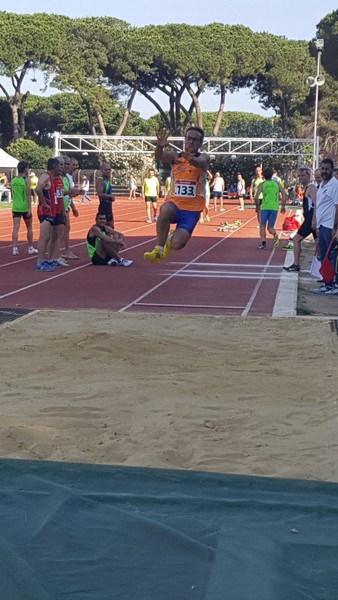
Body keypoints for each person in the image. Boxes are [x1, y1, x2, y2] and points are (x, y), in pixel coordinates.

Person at [144, 126, 210, 264]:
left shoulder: (203, 157)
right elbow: (159, 156)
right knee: (165, 209)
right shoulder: (175, 157)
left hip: (191, 212)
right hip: (175, 205)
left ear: (200, 143)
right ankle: (159, 249)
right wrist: (160, 147)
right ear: (185, 140)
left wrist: (189, 158)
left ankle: (170, 240)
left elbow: (200, 162)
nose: (191, 142)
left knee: (177, 244)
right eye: (189, 139)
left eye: (195, 140)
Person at [311, 158, 338, 295]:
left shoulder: (334, 185)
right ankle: (327, 283)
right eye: (322, 169)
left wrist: (335, 227)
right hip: (322, 225)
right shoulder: (321, 185)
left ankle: (332, 284)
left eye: (327, 169)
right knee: (324, 255)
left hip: (329, 226)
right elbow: (319, 205)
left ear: (332, 170)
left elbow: (337, 206)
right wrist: (315, 221)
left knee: (330, 255)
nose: (324, 171)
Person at [283, 167, 317, 272]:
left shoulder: (311, 188)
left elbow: (316, 204)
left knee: (296, 239)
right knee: (318, 243)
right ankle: (319, 268)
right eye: (300, 176)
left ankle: (296, 264)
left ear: (309, 176)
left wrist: (314, 219)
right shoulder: (306, 188)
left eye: (303, 176)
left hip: (311, 219)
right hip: (309, 218)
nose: (301, 178)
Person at [35, 157, 64, 272]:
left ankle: (49, 259)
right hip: (45, 211)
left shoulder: (56, 178)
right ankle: (40, 263)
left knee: (51, 236)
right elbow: (37, 189)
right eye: (60, 166)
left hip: (53, 211)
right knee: (44, 237)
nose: (61, 168)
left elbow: (58, 194)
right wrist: (44, 203)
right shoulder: (46, 176)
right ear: (55, 167)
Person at [254, 166, 288, 249]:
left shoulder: (262, 184)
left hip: (265, 207)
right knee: (271, 227)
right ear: (272, 175)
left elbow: (256, 197)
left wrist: (257, 206)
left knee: (262, 225)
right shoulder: (277, 184)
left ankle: (263, 243)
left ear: (264, 175)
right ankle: (275, 234)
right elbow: (284, 194)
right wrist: (283, 205)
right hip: (274, 207)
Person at [11, 160, 38, 256]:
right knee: (29, 227)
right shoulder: (26, 180)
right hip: (24, 207)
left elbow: (13, 194)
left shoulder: (13, 180)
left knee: (15, 228)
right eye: (27, 168)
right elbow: (28, 195)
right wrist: (30, 208)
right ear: (25, 169)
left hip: (15, 206)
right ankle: (30, 247)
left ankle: (14, 248)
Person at [61, 156, 80, 261]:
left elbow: (69, 194)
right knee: (58, 231)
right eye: (73, 164)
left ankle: (65, 251)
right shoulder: (61, 177)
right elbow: (63, 192)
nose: (75, 167)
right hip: (60, 207)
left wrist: (73, 207)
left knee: (65, 229)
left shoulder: (68, 177)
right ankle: (58, 253)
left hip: (66, 206)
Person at [96, 162, 115, 227]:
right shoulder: (100, 180)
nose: (108, 171)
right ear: (101, 170)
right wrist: (110, 196)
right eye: (106, 170)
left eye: (109, 169)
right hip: (104, 205)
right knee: (106, 227)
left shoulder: (107, 180)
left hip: (108, 205)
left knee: (110, 227)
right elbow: (100, 193)